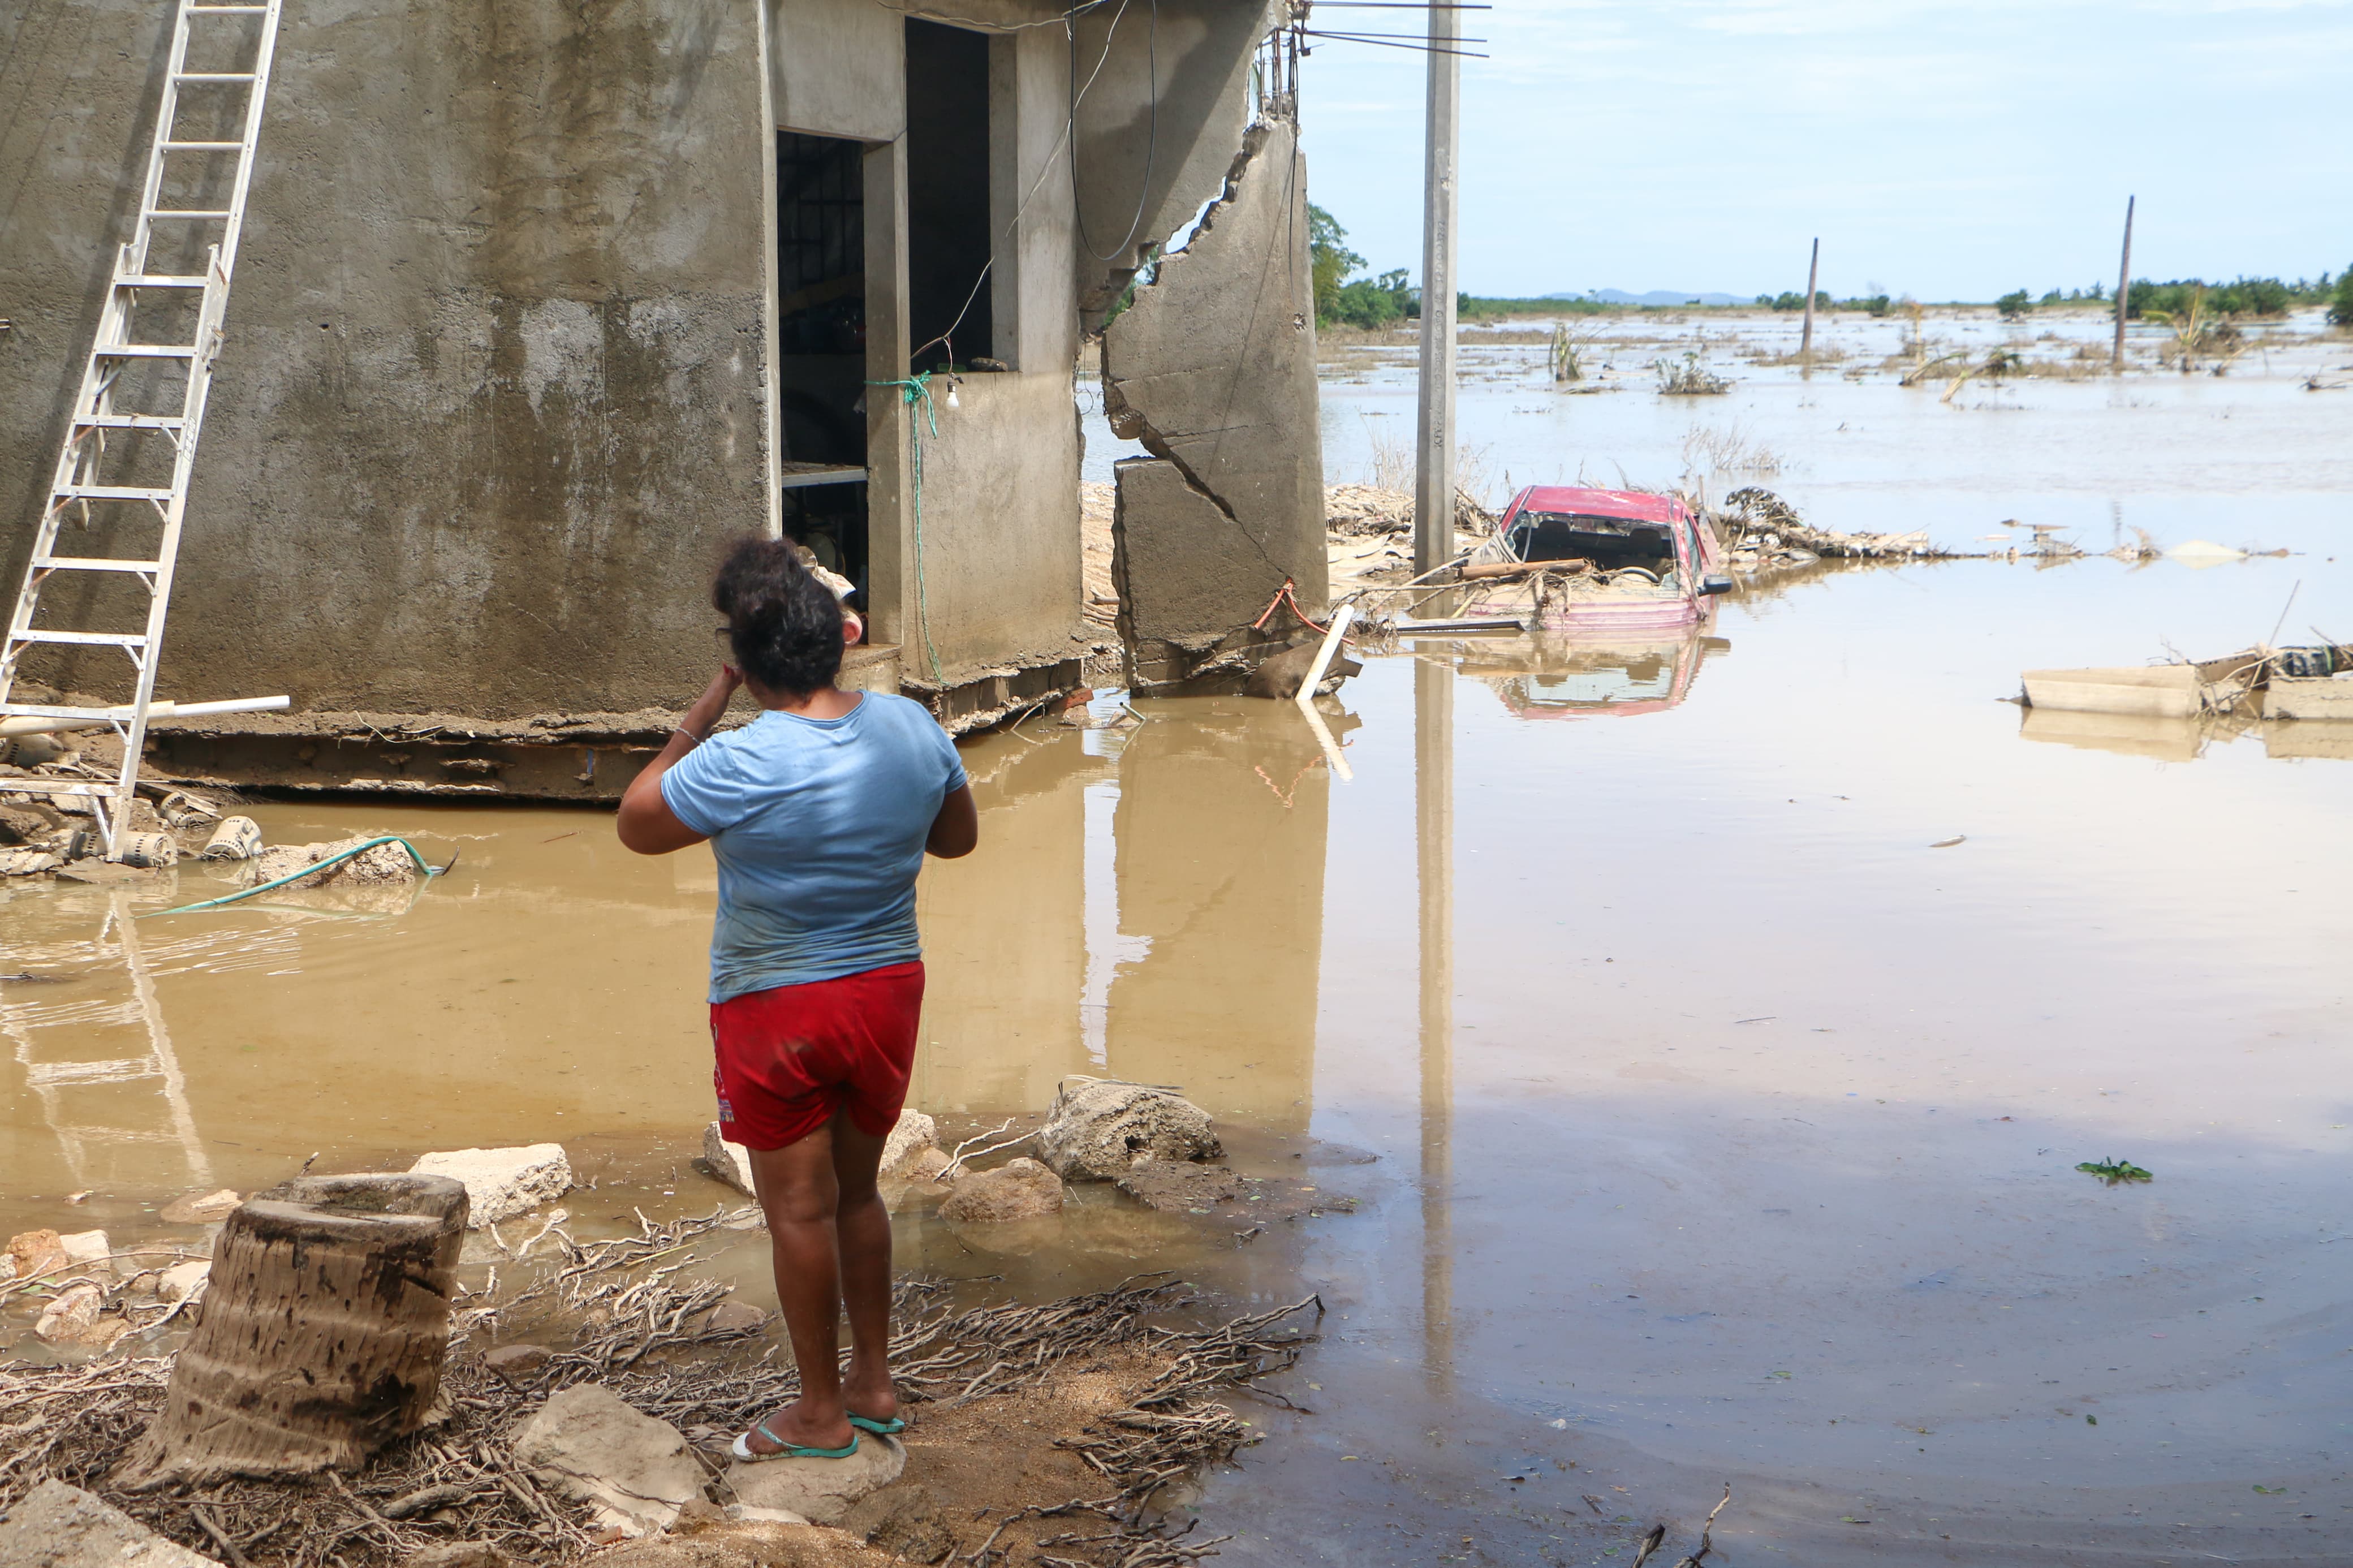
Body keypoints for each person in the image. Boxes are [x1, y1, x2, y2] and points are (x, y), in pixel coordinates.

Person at [617, 537, 978, 1461]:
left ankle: (819, 1415)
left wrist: (700, 715)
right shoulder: (913, 727)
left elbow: (637, 824)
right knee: (859, 1195)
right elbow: (956, 841)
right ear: (838, 641)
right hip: (887, 991)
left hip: (776, 1005)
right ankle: (874, 1384)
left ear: (745, 661)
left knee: (798, 1213)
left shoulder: (738, 759)